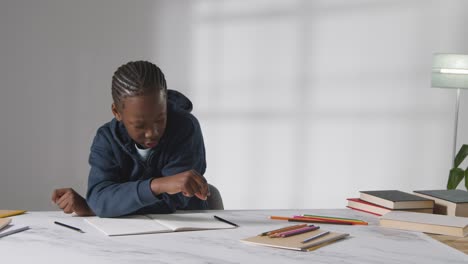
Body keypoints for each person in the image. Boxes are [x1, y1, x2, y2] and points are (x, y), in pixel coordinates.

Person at [52, 61, 210, 217]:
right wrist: (159, 185)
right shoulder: (106, 138)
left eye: (160, 119)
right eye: (140, 125)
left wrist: (104, 206)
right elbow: (100, 200)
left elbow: (172, 202)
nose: (151, 133)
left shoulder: (185, 127)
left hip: (188, 226)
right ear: (116, 112)